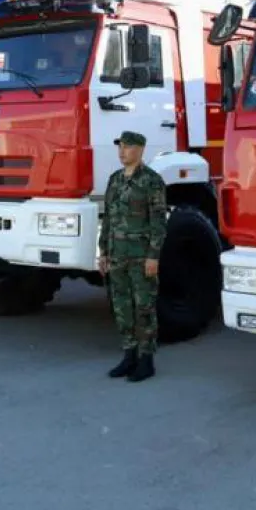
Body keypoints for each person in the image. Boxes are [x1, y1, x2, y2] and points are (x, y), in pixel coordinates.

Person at [98, 131, 167, 382]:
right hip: (117, 255)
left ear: (140, 149)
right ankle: (129, 356)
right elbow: (108, 219)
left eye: (127, 147)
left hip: (140, 257)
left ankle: (146, 359)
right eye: (120, 147)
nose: (121, 151)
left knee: (144, 308)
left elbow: (158, 222)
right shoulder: (114, 180)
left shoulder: (151, 181)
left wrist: (154, 256)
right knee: (122, 308)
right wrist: (103, 251)